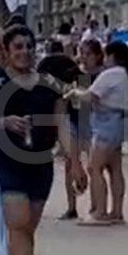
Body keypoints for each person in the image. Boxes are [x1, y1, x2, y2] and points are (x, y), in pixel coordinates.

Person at [0, 26, 84, 255]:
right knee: (17, 226)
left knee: (26, 231)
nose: (24, 52)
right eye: (18, 47)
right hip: (7, 165)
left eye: (29, 46)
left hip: (40, 165)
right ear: (5, 50)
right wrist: (2, 122)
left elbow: (62, 122)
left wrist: (75, 162)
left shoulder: (49, 85)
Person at [67, 42, 128, 225]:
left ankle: (100, 211)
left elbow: (91, 95)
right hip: (121, 122)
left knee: (94, 167)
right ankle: (117, 211)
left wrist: (75, 91)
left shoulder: (111, 74)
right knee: (115, 169)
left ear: (112, 56)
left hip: (106, 122)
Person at [37, 40, 86, 220]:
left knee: (70, 163)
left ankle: (72, 206)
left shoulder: (44, 65)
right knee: (77, 161)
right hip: (81, 115)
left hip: (62, 114)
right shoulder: (72, 65)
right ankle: (91, 202)